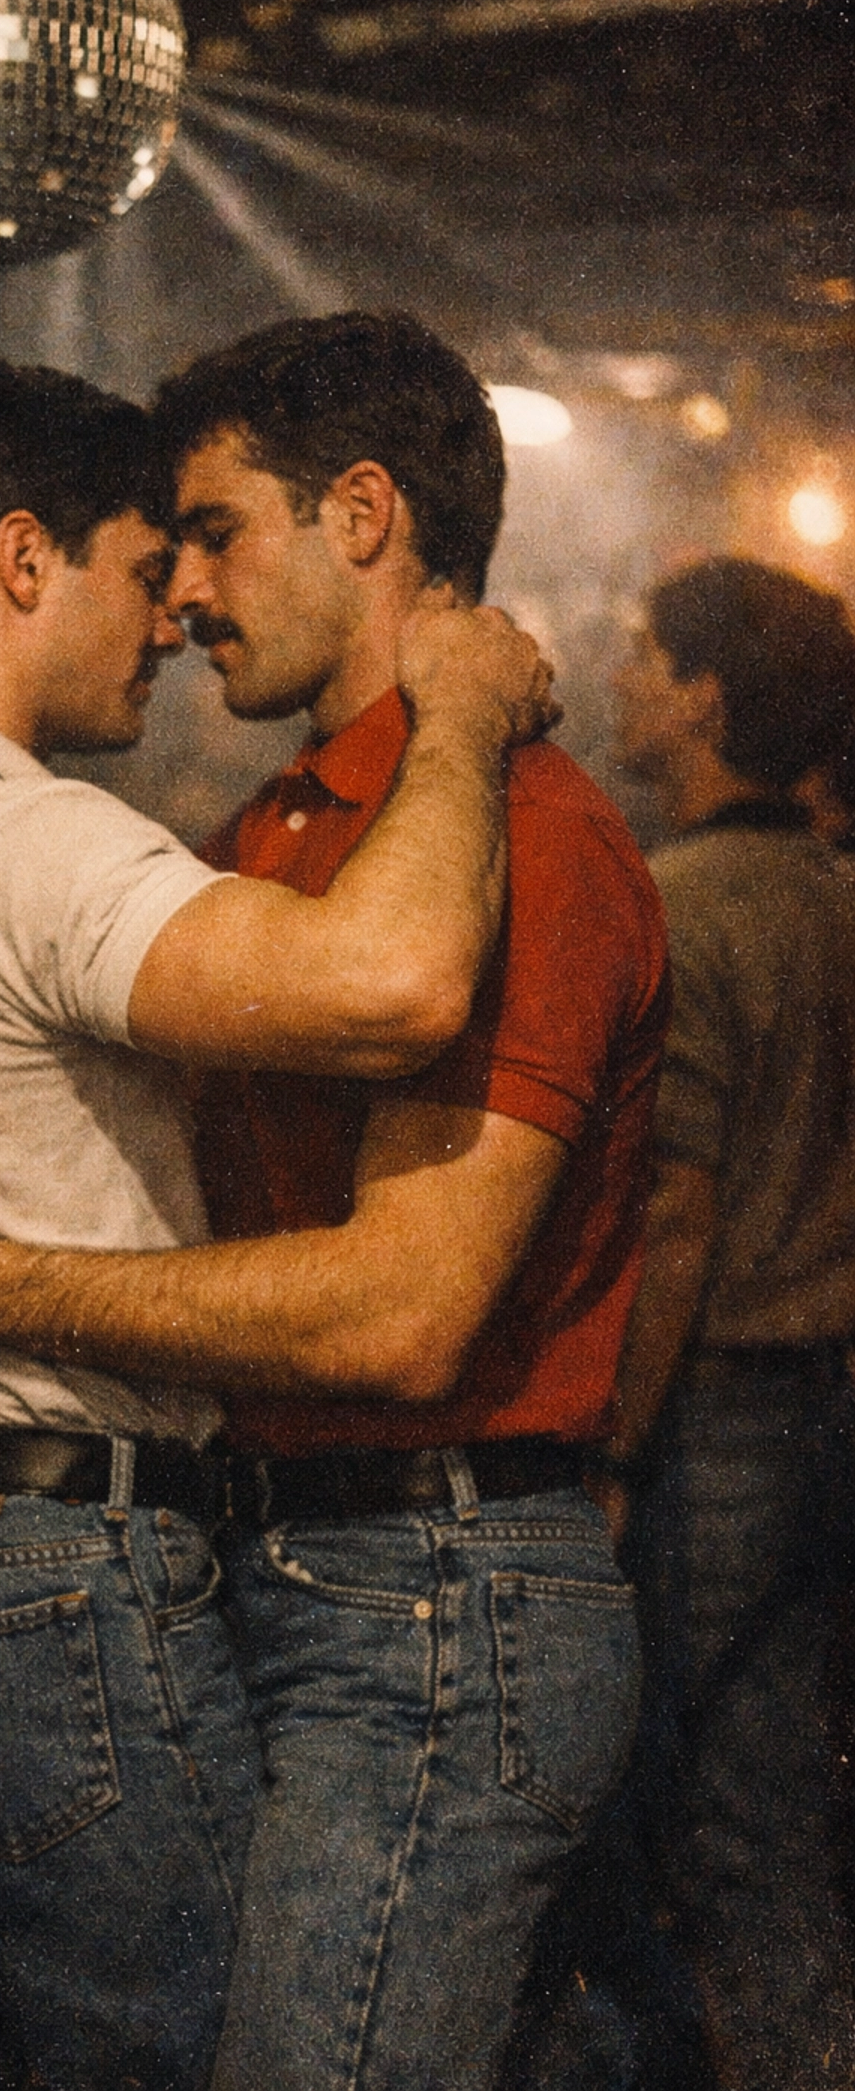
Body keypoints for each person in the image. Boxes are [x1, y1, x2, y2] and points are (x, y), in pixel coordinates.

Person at [0, 357, 551, 2091]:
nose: (171, 621)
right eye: (148, 570)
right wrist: (466, 719)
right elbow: (398, 981)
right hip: (36, 1587)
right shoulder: (29, 846)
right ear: (21, 560)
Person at [591, 557, 855, 2089]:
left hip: (711, 1414)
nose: (618, 678)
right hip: (826, 1397)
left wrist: (614, 1448)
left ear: (702, 695)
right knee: (768, 1818)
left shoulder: (679, 907)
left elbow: (674, 1212)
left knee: (634, 1812)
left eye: (643, 655)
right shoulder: (830, 896)